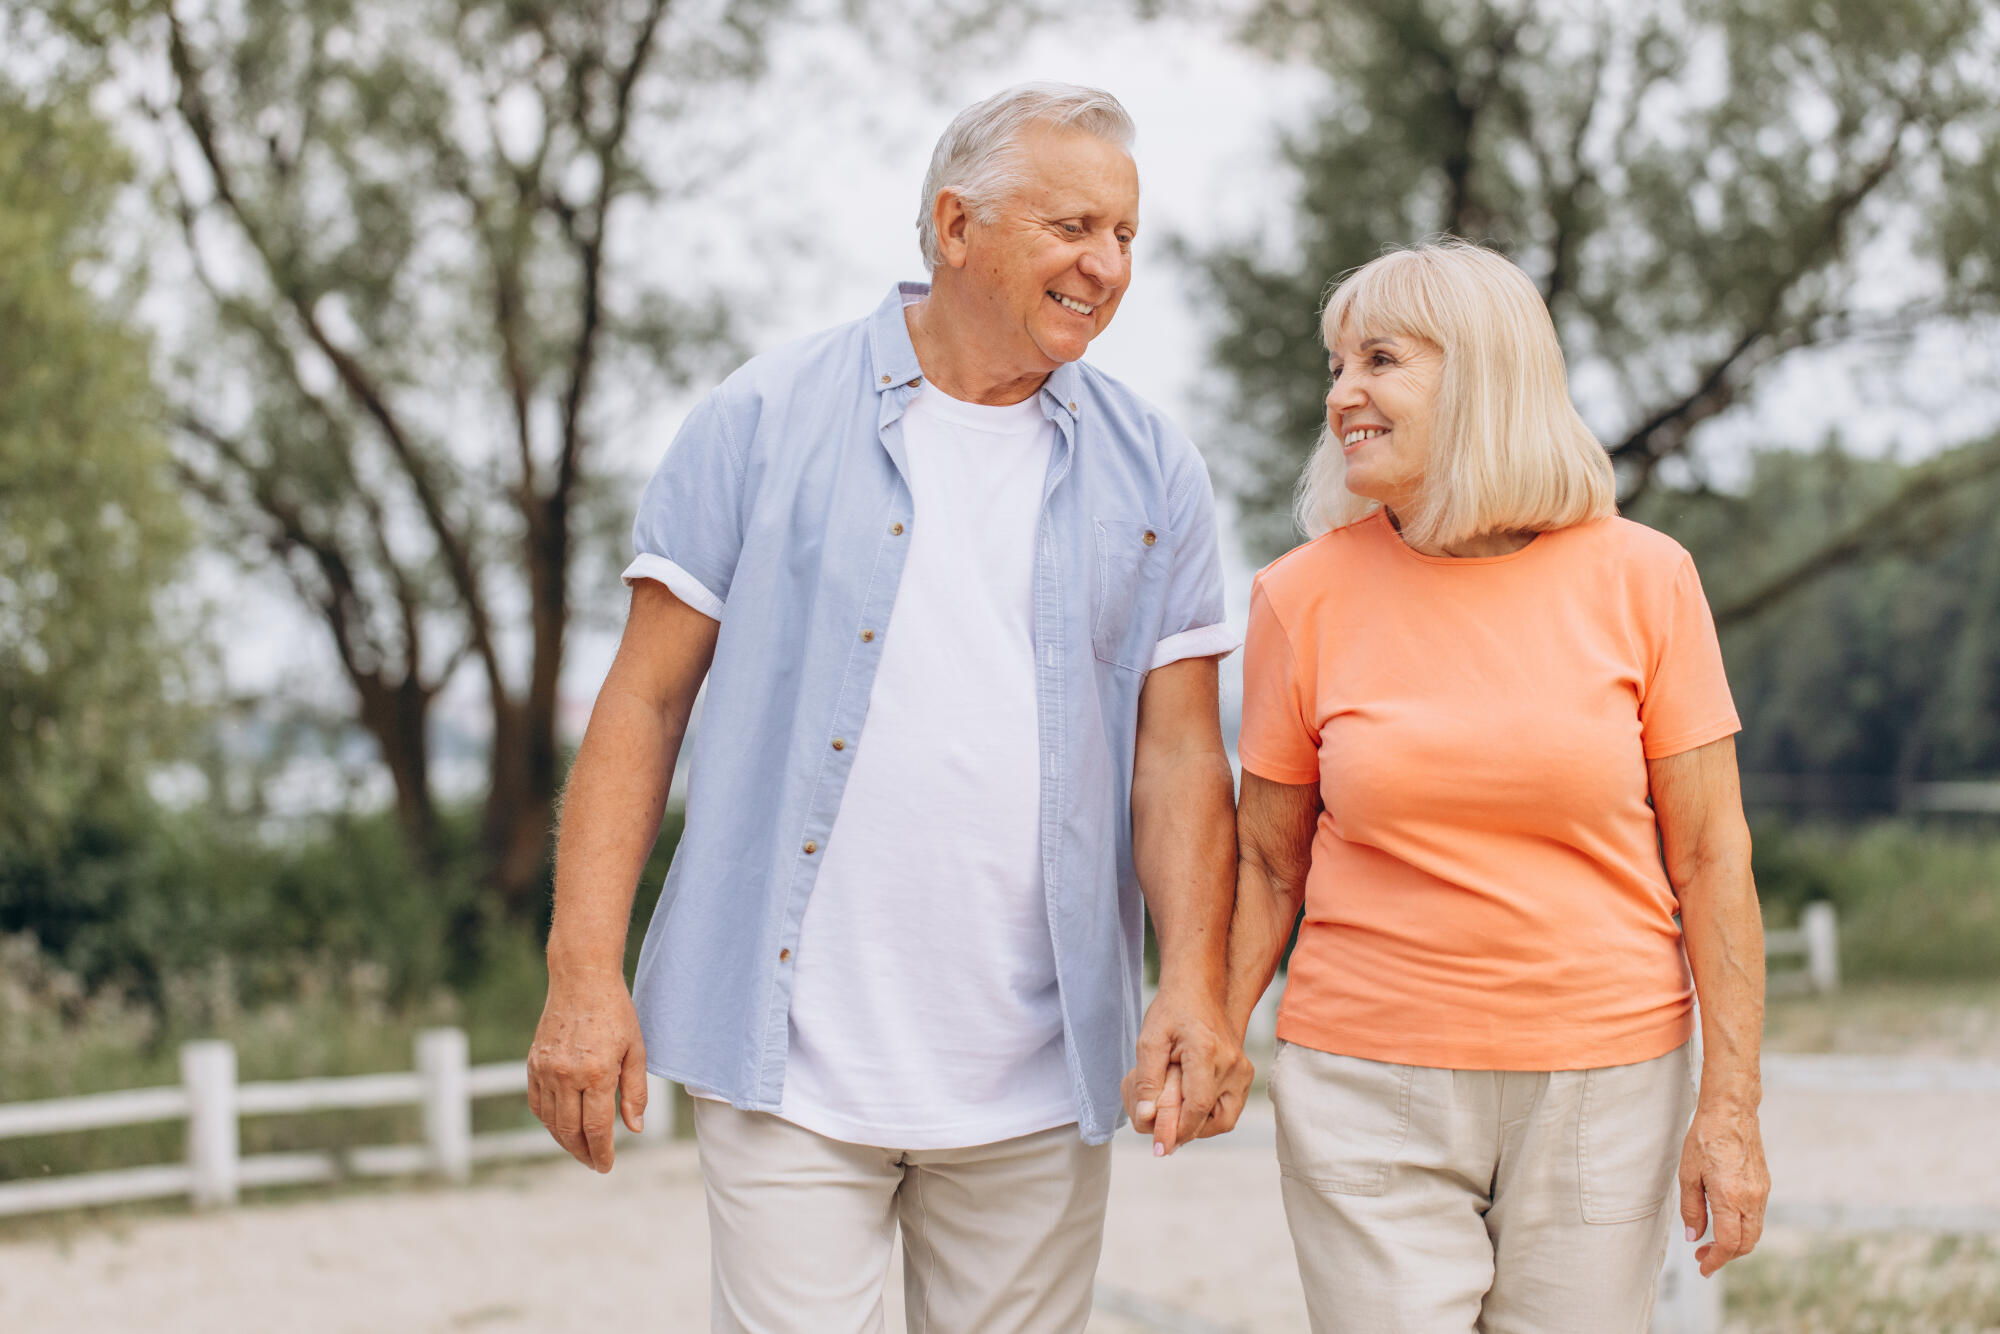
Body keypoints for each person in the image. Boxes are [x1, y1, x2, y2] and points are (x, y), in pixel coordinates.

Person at [525, 82, 1251, 1334]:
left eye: (1125, 235)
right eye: (1072, 227)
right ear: (956, 225)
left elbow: (1179, 754)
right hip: (789, 1058)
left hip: (1037, 1073)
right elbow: (642, 703)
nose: (1107, 266)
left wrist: (1191, 980)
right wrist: (581, 972)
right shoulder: (760, 417)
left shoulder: (1152, 467)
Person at [1225, 239, 1771, 1332]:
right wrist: (1208, 1023)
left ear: (1481, 373)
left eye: (1380, 360)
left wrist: (1730, 1107)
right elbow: (1266, 860)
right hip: (1364, 1077)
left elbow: (1713, 855)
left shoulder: (1646, 578)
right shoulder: (1297, 596)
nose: (1341, 395)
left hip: (1605, 1084)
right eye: (1336, 366)